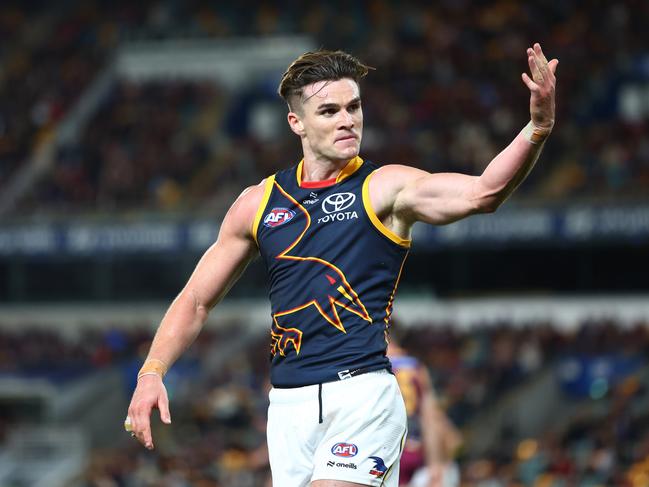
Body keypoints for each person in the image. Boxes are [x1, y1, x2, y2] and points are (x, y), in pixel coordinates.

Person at [124, 44, 558, 487]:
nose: (347, 120)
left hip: (361, 396)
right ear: (297, 123)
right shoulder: (258, 203)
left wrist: (537, 127)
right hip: (288, 409)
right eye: (329, 111)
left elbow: (482, 193)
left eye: (353, 107)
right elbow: (195, 300)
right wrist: (151, 373)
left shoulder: (383, 187)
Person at [387, 323, 462, 487]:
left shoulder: (375, 365)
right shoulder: (415, 367)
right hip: (413, 447)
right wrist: (434, 463)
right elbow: (430, 418)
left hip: (386, 449)